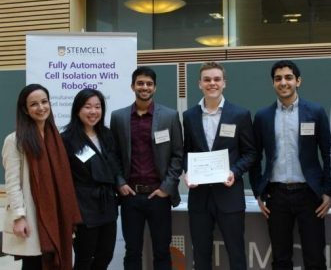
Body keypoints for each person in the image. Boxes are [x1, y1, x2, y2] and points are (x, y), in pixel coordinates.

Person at [249, 60, 331, 270]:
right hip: (276, 197)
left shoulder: (315, 111)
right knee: (281, 259)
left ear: (298, 81)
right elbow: (255, 156)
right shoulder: (263, 117)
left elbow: (328, 152)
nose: (283, 82)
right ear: (273, 83)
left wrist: (328, 191)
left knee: (315, 258)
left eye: (288, 77)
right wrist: (259, 191)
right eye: (278, 79)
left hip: (309, 195)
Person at [183, 62, 256, 270]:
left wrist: (234, 171)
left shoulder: (240, 114)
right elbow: (187, 152)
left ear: (224, 83)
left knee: (236, 254)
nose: (212, 83)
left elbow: (250, 153)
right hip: (199, 198)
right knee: (201, 255)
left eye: (216, 79)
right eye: (207, 80)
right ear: (199, 84)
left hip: (230, 195)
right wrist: (189, 172)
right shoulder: (189, 116)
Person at [110, 66, 183, 270]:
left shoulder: (169, 116)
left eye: (149, 84)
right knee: (132, 251)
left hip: (158, 196)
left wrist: (166, 187)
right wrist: (120, 183)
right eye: (140, 83)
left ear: (155, 87)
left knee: (162, 251)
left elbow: (178, 155)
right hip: (130, 196)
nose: (144, 87)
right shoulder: (118, 117)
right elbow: (113, 155)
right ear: (132, 86)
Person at [1, 84, 81, 270]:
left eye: (44, 102)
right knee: (34, 263)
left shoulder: (56, 138)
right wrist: (19, 217)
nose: (41, 107)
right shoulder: (15, 140)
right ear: (25, 110)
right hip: (31, 215)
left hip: (56, 213)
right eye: (34, 104)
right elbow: (12, 183)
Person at [61, 88, 120, 270]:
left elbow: (115, 165)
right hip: (83, 207)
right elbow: (64, 178)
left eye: (97, 107)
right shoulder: (67, 139)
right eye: (88, 107)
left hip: (107, 204)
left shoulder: (107, 135)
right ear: (77, 109)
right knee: (84, 258)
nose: (93, 112)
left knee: (105, 255)